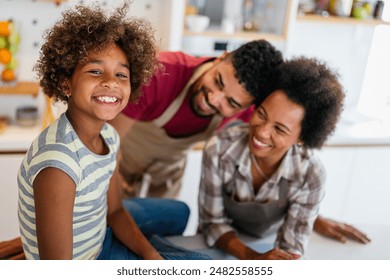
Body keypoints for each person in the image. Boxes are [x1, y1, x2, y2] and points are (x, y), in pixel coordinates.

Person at [109, 39, 370, 244]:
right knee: (115, 225)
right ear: (221, 58)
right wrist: (112, 194)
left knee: (161, 233)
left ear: (247, 107)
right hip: (119, 153)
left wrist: (311, 217)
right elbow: (107, 140)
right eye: (218, 81)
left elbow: (274, 159)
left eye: (231, 103)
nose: (215, 99)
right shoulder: (161, 72)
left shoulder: (253, 117)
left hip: (168, 166)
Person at [16, 3, 210, 260]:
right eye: (95, 71)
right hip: (92, 259)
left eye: (121, 74)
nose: (110, 82)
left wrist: (153, 258)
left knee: (180, 212)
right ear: (66, 83)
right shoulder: (58, 164)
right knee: (204, 263)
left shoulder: (109, 136)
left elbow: (116, 210)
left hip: (101, 231)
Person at [197, 57, 362, 260]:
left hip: (267, 241)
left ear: (302, 138)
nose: (262, 132)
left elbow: (291, 248)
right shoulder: (220, 147)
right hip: (220, 244)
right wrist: (252, 258)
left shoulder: (310, 174)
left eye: (280, 129)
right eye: (262, 114)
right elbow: (212, 222)